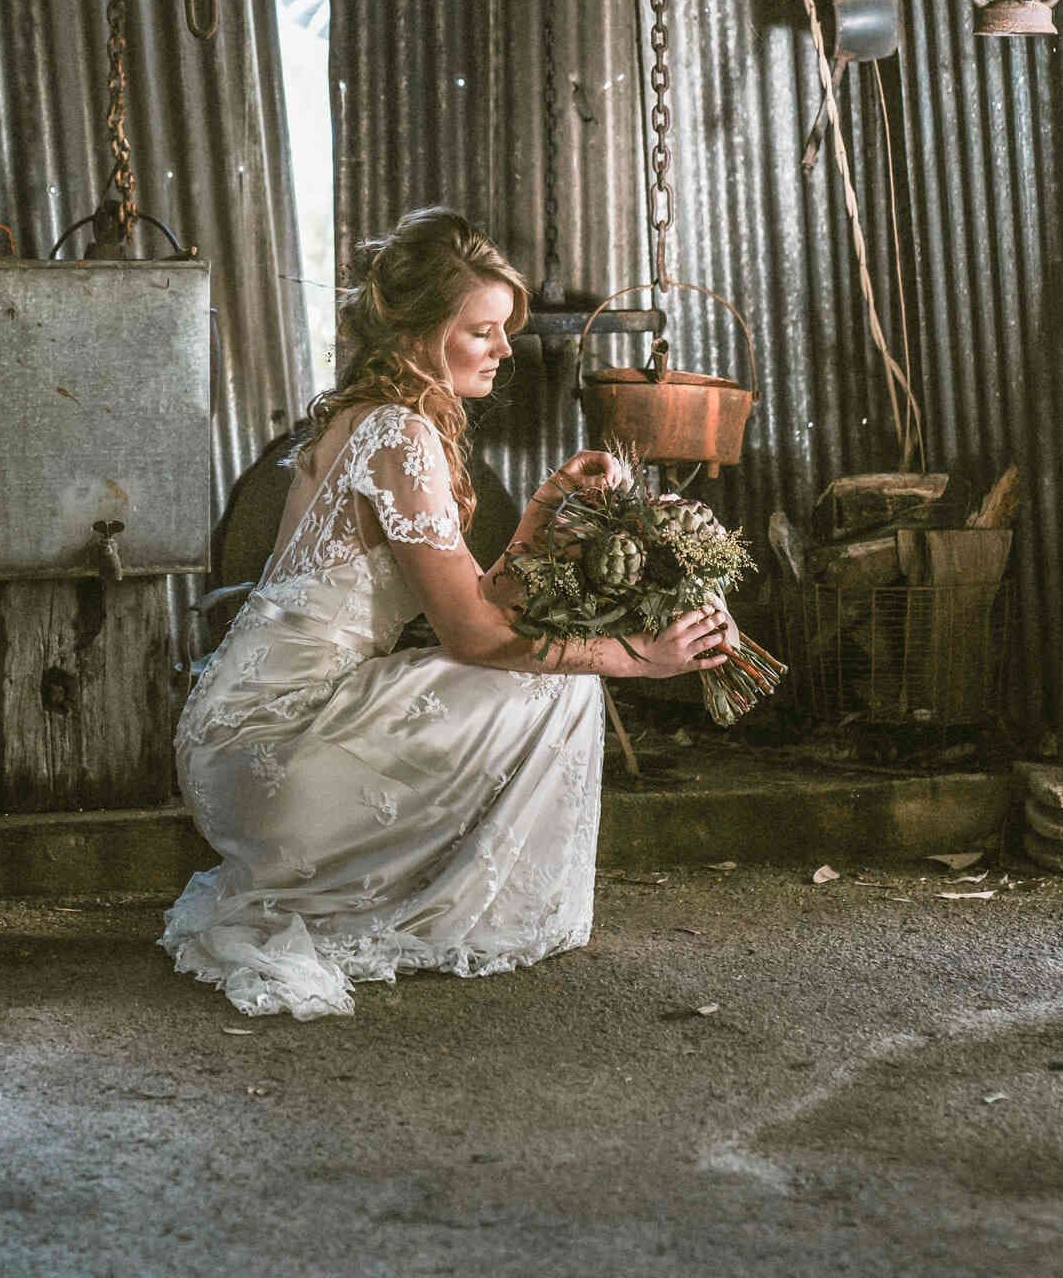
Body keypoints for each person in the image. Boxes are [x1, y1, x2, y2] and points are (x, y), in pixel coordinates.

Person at [160, 206, 733, 1020]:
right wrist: (640, 654)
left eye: (503, 331)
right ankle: (471, 910)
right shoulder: (399, 433)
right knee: (558, 681)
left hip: (234, 744)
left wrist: (541, 510)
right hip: (276, 748)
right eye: (483, 331)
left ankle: (415, 881)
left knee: (540, 666)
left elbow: (474, 605)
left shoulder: (369, 418)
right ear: (420, 332)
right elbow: (477, 635)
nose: (505, 350)